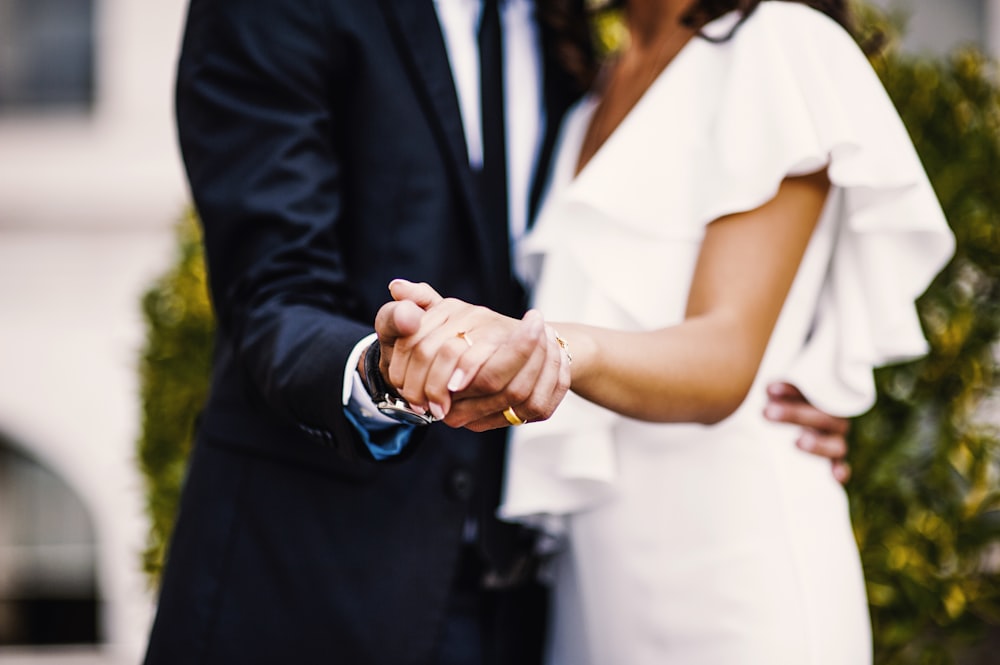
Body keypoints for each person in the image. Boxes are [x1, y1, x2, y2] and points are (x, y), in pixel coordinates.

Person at [143, 0, 854, 663]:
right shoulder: (597, 66)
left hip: (674, 566)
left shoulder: (601, 37)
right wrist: (379, 372)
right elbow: (274, 290)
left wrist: (791, 384)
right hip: (325, 582)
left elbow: (731, 335)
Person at [378, 1, 956, 663]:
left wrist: (552, 350)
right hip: (595, 588)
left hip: (737, 572)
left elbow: (724, 355)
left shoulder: (778, 42)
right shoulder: (586, 98)